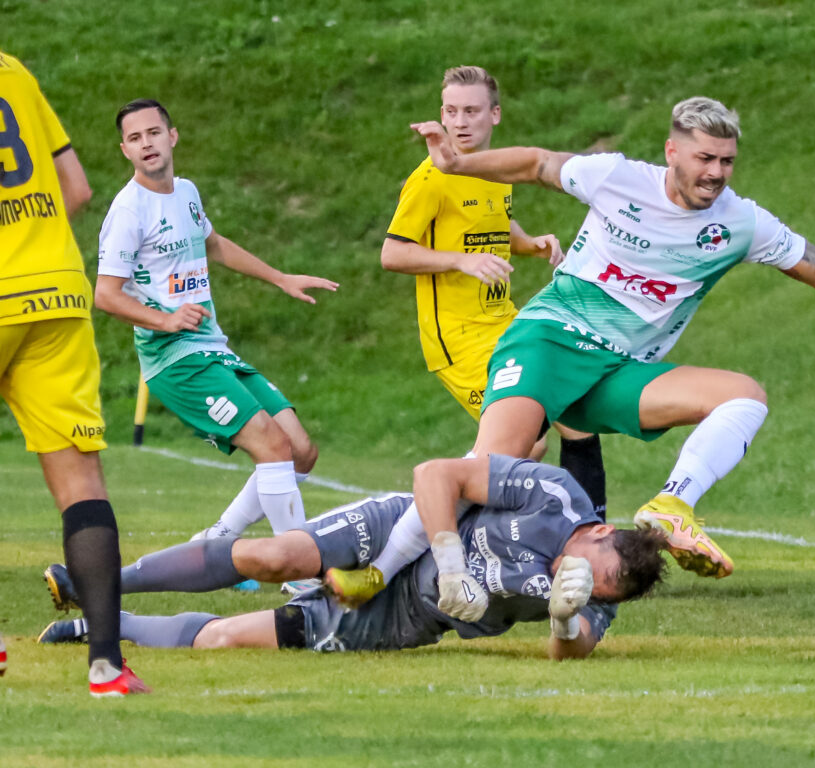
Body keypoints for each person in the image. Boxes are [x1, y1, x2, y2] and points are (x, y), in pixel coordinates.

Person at [333, 96, 815, 610]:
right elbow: (536, 163)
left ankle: (672, 503)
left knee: (743, 396)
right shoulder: (617, 178)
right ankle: (377, 573)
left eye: (726, 161)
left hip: (616, 370)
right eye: (704, 158)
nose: (715, 173)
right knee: (487, 469)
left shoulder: (739, 223)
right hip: (550, 342)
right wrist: (457, 165)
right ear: (672, 152)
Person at [40, 455, 666, 660]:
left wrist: (564, 619)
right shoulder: (556, 494)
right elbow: (436, 475)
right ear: (597, 531)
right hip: (404, 529)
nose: (574, 579)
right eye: (586, 569)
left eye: (595, 590)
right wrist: (449, 559)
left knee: (229, 639)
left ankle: (103, 624)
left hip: (412, 616)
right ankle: (99, 581)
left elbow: (573, 649)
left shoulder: (599, 597)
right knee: (274, 555)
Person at [94, 99, 338, 542]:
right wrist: (165, 320)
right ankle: (298, 568)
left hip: (211, 347)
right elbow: (105, 295)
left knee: (300, 450)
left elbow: (215, 245)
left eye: (153, 132)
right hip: (175, 360)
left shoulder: (186, 192)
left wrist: (280, 277)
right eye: (135, 138)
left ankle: (218, 540)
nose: (146, 143)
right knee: (273, 446)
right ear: (125, 150)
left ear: (172, 136)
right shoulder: (129, 211)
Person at [382, 65, 607, 516]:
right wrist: (460, 261)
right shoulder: (429, 180)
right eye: (451, 111)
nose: (460, 122)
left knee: (572, 417)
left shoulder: (495, 171)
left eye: (471, 111)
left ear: (495, 115)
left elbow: (494, 224)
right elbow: (393, 253)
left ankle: (589, 535)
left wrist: (529, 243)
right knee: (527, 439)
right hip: (459, 339)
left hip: (505, 323)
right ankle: (422, 528)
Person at [0, 50, 148, 696]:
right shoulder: (13, 71)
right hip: (55, 291)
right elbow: (77, 190)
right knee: (81, 482)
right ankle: (107, 667)